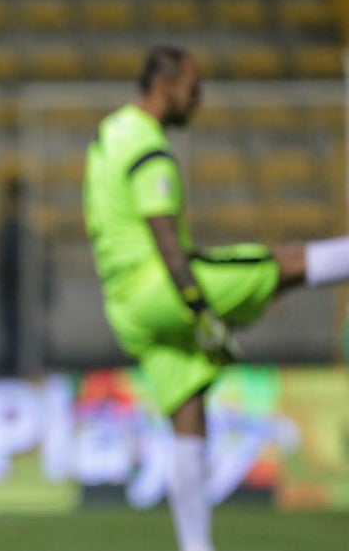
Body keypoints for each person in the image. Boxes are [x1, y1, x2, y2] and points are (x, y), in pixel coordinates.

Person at [83, 45, 349, 551]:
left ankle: (195, 547)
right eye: (193, 88)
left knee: (188, 414)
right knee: (285, 262)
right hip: (162, 286)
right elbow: (163, 234)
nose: (198, 99)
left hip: (123, 305)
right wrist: (199, 307)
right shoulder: (148, 147)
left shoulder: (109, 132)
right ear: (164, 86)